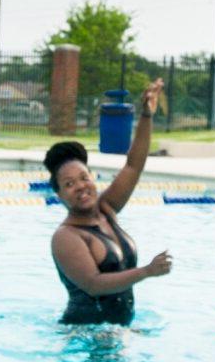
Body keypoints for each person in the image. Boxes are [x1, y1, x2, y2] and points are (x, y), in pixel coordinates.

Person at [44, 79, 173, 326]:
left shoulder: (107, 209)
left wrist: (146, 116)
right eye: (70, 184)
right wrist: (146, 271)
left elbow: (134, 165)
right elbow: (93, 285)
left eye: (84, 177)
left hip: (117, 330)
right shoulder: (66, 237)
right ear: (59, 195)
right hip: (85, 335)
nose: (81, 186)